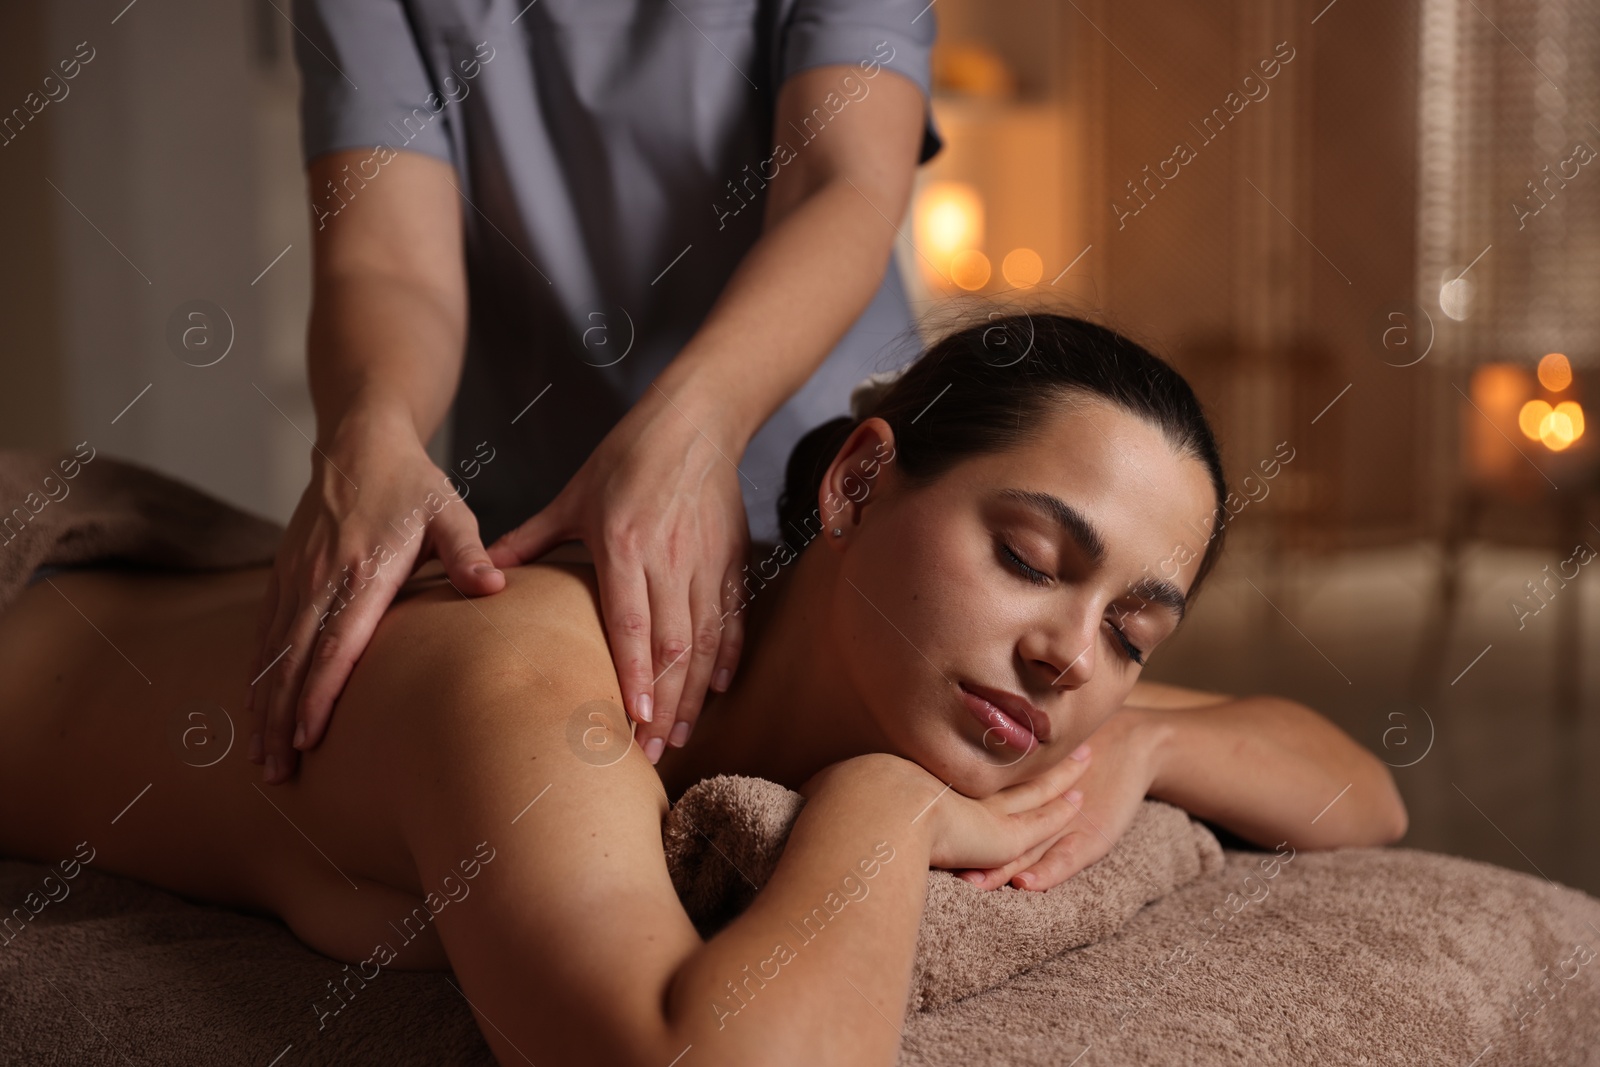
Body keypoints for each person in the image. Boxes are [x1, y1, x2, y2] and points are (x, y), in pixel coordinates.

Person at [0, 316, 1406, 1063]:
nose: (1069, 654)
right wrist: (887, 807)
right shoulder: (535, 674)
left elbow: (1362, 794)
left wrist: (1146, 751)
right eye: (1033, 557)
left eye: (1135, 634)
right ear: (856, 482)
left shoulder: (1023, 670)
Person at [250, 0, 943, 784]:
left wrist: (700, 423)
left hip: (822, 498)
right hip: (538, 535)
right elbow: (388, 266)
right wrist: (371, 427)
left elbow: (840, 181)